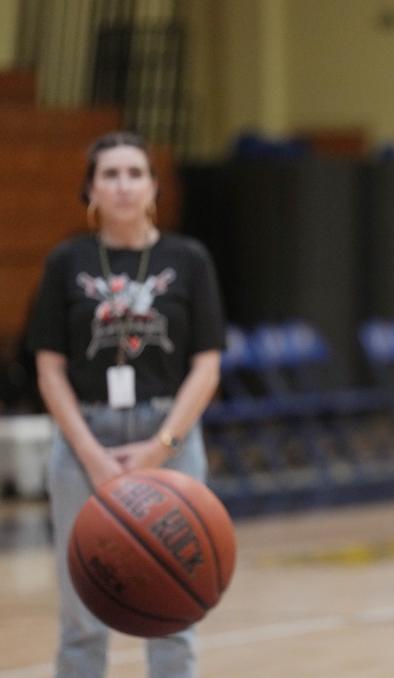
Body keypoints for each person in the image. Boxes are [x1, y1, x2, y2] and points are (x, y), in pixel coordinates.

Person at [27, 131, 225, 678]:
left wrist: (160, 448)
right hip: (84, 435)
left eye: (135, 173)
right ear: (90, 188)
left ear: (154, 187)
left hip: (170, 434)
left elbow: (207, 366)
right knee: (82, 611)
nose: (122, 185)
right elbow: (49, 369)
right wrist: (90, 453)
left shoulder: (187, 259)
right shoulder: (66, 260)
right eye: (109, 174)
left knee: (173, 606)